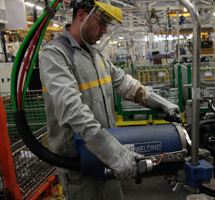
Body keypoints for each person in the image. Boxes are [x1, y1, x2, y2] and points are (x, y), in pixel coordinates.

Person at [39, 0, 183, 199]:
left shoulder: (96, 55)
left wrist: (165, 105)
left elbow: (126, 85)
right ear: (81, 15)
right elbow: (71, 108)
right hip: (79, 166)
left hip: (107, 160)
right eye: (102, 23)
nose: (105, 31)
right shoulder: (55, 54)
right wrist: (115, 155)